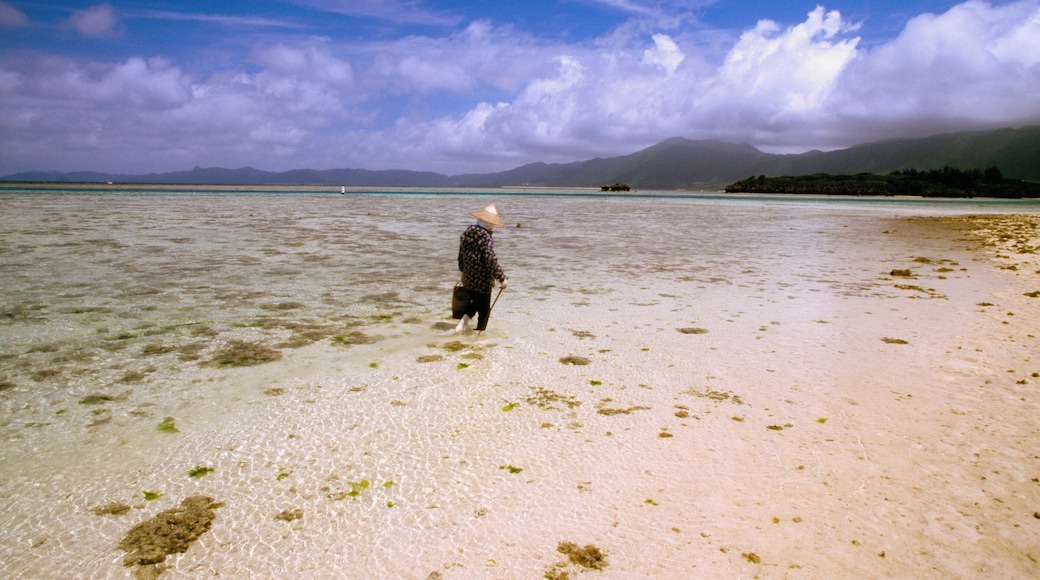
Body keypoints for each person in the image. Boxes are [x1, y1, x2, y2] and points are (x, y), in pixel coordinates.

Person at [455, 204, 508, 332]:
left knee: (475, 302)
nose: (493, 226)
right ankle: (478, 336)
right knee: (484, 310)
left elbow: (460, 257)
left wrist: (464, 272)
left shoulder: (466, 234)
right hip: (482, 281)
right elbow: (490, 259)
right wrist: (501, 278)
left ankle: (463, 323)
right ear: (488, 223)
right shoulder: (486, 237)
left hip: (468, 277)